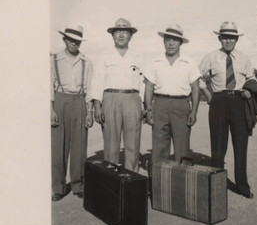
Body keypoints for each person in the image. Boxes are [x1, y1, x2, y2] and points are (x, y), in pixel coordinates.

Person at [199, 21, 256, 199]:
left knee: (241, 146)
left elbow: (252, 77)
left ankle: (242, 186)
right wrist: (208, 95)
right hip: (218, 101)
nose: (228, 41)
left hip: (239, 101)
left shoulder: (244, 58)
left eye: (232, 37)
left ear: (236, 39)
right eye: (225, 37)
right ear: (219, 38)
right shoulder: (210, 56)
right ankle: (217, 184)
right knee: (218, 146)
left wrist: (248, 90)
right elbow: (197, 77)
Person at [92, 18, 143, 172]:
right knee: (111, 145)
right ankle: (110, 181)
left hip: (132, 99)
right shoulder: (104, 56)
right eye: (118, 32)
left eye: (125, 32)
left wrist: (145, 106)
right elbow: (98, 81)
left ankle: (131, 178)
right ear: (112, 35)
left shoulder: (137, 56)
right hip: (110, 99)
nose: (121, 35)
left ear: (131, 36)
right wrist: (97, 106)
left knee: (132, 144)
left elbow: (142, 82)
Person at [144, 24, 200, 163]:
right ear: (163, 41)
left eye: (175, 40)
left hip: (181, 105)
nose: (171, 43)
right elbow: (149, 87)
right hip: (160, 105)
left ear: (180, 43)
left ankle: (180, 181)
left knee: (182, 148)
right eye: (168, 39)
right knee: (159, 147)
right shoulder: (155, 62)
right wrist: (148, 110)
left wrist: (194, 112)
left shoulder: (190, 63)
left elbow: (195, 89)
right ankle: (158, 182)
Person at [50, 26, 94, 201]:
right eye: (70, 40)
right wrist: (51, 109)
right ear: (64, 40)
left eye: (77, 41)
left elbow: (89, 88)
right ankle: (58, 188)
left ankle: (78, 185)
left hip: (79, 102)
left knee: (79, 147)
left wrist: (89, 111)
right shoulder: (54, 59)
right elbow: (47, 86)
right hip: (60, 100)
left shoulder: (86, 62)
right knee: (58, 147)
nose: (73, 43)